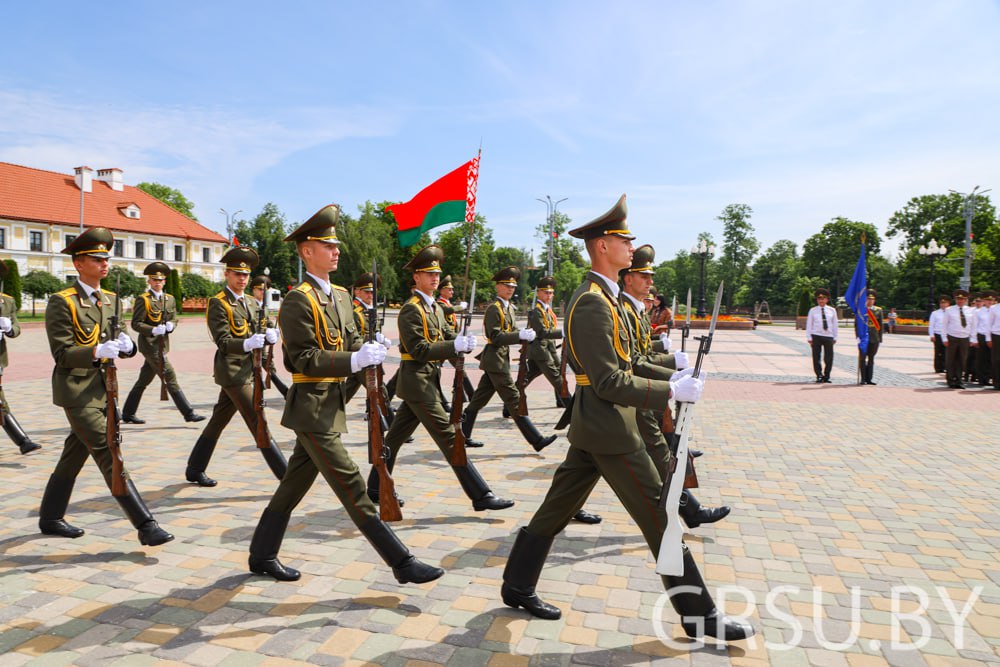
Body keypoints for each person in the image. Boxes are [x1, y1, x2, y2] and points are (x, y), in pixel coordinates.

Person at [499, 195, 753, 641]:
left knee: (555, 510)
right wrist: (669, 390)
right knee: (661, 520)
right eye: (623, 238)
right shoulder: (593, 302)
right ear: (601, 246)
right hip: (612, 430)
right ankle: (699, 616)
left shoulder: (608, 299)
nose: (631, 244)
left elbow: (633, 360)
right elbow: (608, 381)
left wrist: (676, 371)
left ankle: (517, 584)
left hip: (598, 427)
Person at [247, 204, 443, 585]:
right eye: (327, 245)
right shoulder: (297, 300)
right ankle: (401, 563)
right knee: (353, 484)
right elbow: (300, 359)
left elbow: (352, 340)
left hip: (331, 405)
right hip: (311, 408)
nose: (336, 250)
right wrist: (354, 357)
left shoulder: (339, 295)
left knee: (290, 489)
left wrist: (371, 345)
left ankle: (261, 555)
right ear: (307, 251)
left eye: (336, 245)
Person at [39, 227, 173, 546]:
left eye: (106, 258)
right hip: (76, 391)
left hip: (104, 390)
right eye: (97, 259)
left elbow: (121, 339)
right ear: (78, 263)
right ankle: (145, 523)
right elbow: (62, 354)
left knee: (73, 454)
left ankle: (50, 517)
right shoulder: (63, 302)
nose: (104, 264)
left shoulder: (111, 300)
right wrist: (96, 351)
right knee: (108, 451)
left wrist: (127, 348)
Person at [366, 244, 514, 514]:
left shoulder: (433, 308)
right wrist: (453, 346)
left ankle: (375, 489)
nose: (435, 278)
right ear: (416, 278)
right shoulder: (412, 309)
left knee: (393, 440)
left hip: (425, 383)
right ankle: (481, 494)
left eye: (437, 274)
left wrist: (462, 343)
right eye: (428, 274)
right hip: (418, 384)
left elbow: (446, 337)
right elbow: (419, 350)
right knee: (450, 439)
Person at [619, 244, 728, 528]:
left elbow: (644, 356)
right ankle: (689, 512)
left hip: (637, 395)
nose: (651, 281)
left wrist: (671, 363)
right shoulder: (623, 311)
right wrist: (670, 377)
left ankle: (544, 528)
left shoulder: (635, 311)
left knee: (584, 469)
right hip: (631, 396)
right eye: (644, 276)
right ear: (628, 277)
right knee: (657, 454)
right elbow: (632, 362)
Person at [185, 247, 287, 487]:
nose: (242, 279)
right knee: (257, 419)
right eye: (236, 274)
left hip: (249, 370)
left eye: (245, 275)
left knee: (217, 421)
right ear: (227, 275)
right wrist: (248, 343)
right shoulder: (219, 303)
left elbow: (264, 325)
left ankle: (194, 468)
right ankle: (287, 476)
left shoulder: (252, 302)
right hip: (233, 372)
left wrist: (271, 333)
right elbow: (223, 341)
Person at [461, 267, 557, 452]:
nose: (510, 289)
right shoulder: (493, 309)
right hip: (495, 360)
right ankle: (536, 440)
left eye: (513, 286)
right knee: (514, 398)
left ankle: (462, 435)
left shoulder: (509, 309)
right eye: (506, 285)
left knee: (477, 401)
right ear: (498, 287)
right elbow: (495, 337)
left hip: (499, 360)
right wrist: (518, 335)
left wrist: (522, 336)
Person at [122, 262, 207, 424]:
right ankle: (188, 413)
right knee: (170, 376)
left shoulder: (170, 299)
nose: (158, 282)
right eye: (154, 279)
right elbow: (136, 323)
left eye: (160, 280)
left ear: (165, 281)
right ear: (149, 281)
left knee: (143, 381)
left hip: (162, 345)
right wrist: (153, 330)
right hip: (150, 346)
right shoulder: (144, 300)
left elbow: (174, 318)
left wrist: (171, 325)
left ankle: (128, 413)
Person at [0, 261, 40, 454]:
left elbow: (16, 329)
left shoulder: (7, 302)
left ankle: (23, 441)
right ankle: (23, 441)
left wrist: (8, 328)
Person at [522, 276, 566, 408]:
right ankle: (569, 401)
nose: (549, 295)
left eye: (551, 293)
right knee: (556, 377)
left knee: (529, 377)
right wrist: (562, 333)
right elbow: (542, 332)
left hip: (549, 349)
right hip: (540, 351)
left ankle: (561, 400)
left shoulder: (547, 311)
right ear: (538, 293)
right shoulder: (537, 312)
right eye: (546, 292)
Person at [435, 275, 474, 411]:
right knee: (436, 371)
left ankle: (465, 394)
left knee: (459, 367)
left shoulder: (448, 303)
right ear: (442, 290)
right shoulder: (440, 304)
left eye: (452, 289)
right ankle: (465, 394)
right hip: (443, 342)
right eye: (449, 289)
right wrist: (460, 307)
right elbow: (446, 312)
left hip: (452, 341)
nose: (452, 292)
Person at [251, 275, 289, 397]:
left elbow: (268, 321)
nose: (263, 292)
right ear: (253, 289)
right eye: (260, 289)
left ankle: (281, 390)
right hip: (250, 344)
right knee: (253, 370)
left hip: (262, 344)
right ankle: (282, 390)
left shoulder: (265, 305)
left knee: (268, 366)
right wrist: (265, 330)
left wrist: (273, 330)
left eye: (265, 290)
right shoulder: (249, 304)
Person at [943, 289, 976, 389]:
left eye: (962, 299)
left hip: (964, 338)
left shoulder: (970, 311)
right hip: (952, 337)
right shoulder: (949, 310)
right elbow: (944, 325)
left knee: (962, 360)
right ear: (955, 299)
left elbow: (973, 325)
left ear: (966, 300)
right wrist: (944, 338)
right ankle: (950, 380)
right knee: (950, 359)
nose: (960, 301)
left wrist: (973, 338)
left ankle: (959, 380)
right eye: (958, 299)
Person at [805, 288, 838, 383]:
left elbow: (835, 324)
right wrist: (809, 337)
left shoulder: (832, 310)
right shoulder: (813, 310)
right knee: (816, 357)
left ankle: (827, 376)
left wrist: (835, 337)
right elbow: (809, 324)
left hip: (828, 336)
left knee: (829, 357)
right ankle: (819, 375)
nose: (821, 300)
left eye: (823, 298)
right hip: (816, 336)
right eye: (819, 298)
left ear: (827, 299)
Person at [859, 289, 884, 385]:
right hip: (863, 337)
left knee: (871, 358)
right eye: (868, 298)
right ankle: (863, 378)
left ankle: (869, 379)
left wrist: (880, 339)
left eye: (872, 299)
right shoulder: (861, 309)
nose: (870, 301)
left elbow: (880, 325)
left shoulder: (878, 310)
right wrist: (858, 337)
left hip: (874, 337)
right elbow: (857, 324)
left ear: (874, 300)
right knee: (862, 358)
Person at [974, 291, 994, 387]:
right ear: (983, 301)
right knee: (982, 358)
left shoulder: (996, 310)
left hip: (993, 336)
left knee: (992, 358)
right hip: (981, 336)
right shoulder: (978, 312)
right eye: (987, 300)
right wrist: (974, 339)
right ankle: (981, 378)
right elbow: (974, 326)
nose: (989, 302)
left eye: (991, 300)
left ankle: (989, 377)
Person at [928, 295, 950, 373]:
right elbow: (931, 325)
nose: (943, 304)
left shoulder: (950, 312)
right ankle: (938, 367)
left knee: (946, 352)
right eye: (941, 303)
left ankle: (945, 366)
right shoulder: (935, 313)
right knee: (938, 351)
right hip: (938, 334)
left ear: (948, 304)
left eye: (945, 303)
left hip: (947, 334)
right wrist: (932, 335)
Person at [989, 291, 1000, 390]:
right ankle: (997, 383)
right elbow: (989, 324)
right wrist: (989, 338)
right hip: (997, 335)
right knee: (996, 360)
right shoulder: (994, 308)